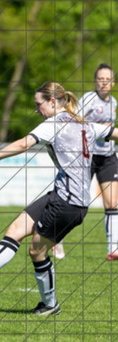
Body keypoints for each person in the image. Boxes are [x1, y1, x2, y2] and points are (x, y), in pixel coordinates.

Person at [0, 82, 118, 316]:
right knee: (16, 228)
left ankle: (50, 305)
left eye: (39, 104)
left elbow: (23, 143)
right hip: (61, 194)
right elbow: (113, 132)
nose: (37, 110)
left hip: (69, 203)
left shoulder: (53, 124)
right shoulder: (83, 123)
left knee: (37, 252)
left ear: (52, 101)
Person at [74, 63, 118, 261]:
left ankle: (113, 248)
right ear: (95, 81)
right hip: (88, 156)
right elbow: (75, 123)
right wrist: (100, 128)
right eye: (101, 79)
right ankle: (57, 240)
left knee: (112, 203)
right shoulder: (88, 99)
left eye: (107, 80)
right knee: (76, 203)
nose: (104, 83)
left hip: (108, 157)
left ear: (113, 82)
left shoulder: (114, 102)